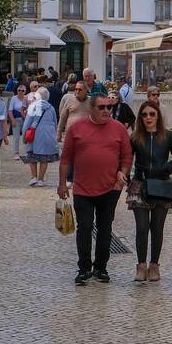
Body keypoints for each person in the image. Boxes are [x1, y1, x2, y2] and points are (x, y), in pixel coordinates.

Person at [59, 92, 132, 285]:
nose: (107, 110)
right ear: (91, 109)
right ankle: (84, 268)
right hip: (82, 188)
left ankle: (101, 267)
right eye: (102, 107)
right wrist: (61, 184)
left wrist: (122, 173)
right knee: (84, 227)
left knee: (105, 228)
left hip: (110, 188)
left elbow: (127, 156)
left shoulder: (119, 129)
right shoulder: (77, 128)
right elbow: (66, 158)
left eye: (109, 107)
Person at [130, 102, 172, 283]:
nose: (148, 118)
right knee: (142, 227)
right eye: (144, 115)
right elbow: (126, 157)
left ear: (158, 116)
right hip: (140, 185)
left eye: (152, 114)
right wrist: (125, 174)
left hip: (161, 185)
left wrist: (166, 168)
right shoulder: (136, 137)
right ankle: (141, 266)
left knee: (157, 228)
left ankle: (154, 266)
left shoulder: (167, 136)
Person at [22, 87, 59, 186]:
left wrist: (24, 136)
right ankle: (41, 179)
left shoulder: (33, 106)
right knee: (44, 158)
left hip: (34, 134)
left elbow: (27, 123)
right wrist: (54, 135)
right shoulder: (51, 108)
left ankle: (34, 177)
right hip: (48, 134)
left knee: (32, 156)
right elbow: (55, 123)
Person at [9, 83, 28, 158]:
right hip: (16, 118)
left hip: (25, 119)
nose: (20, 92)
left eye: (22, 90)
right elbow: (10, 110)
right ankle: (16, 153)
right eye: (19, 90)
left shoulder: (27, 98)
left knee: (26, 136)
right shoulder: (14, 98)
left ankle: (27, 151)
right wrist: (12, 120)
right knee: (16, 136)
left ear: (25, 91)